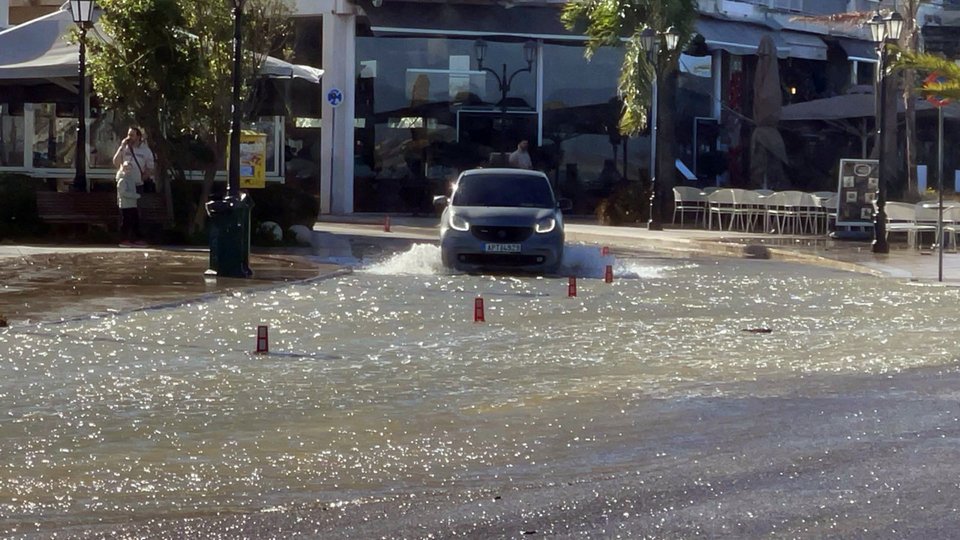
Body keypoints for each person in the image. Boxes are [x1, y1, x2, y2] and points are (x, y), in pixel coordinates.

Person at [112, 126, 155, 247]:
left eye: (132, 135)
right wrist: (121, 147)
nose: (129, 137)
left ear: (138, 137)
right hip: (125, 184)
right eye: (128, 134)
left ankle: (137, 238)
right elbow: (116, 162)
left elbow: (150, 167)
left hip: (137, 184)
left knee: (137, 212)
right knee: (125, 212)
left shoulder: (145, 151)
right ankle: (125, 238)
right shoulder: (124, 148)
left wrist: (144, 177)